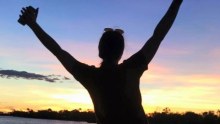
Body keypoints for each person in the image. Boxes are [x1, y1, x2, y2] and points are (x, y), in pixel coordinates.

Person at [19, 0, 183, 123]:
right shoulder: (132, 68)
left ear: (99, 50)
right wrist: (177, 2)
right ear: (121, 52)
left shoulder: (89, 76)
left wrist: (33, 24)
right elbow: (159, 35)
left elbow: (57, 50)